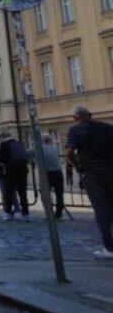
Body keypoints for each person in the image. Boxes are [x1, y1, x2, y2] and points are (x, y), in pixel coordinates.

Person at [65, 105, 113, 258]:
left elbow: (69, 152)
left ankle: (109, 248)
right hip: (111, 173)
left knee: (101, 209)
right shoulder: (108, 128)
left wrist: (78, 166)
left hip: (92, 175)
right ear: (91, 115)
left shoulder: (75, 130)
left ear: (75, 118)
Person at [0, 130, 31, 221]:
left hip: (10, 172)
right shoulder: (19, 143)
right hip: (23, 172)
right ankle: (25, 214)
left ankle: (7, 214)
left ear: (3, 137)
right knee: (23, 194)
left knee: (8, 193)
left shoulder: (5, 144)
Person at [37, 133, 65, 220]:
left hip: (47, 173)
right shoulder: (55, 148)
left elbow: (29, 154)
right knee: (59, 194)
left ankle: (49, 213)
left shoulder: (40, 148)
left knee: (45, 194)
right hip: (58, 172)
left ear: (42, 141)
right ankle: (59, 214)